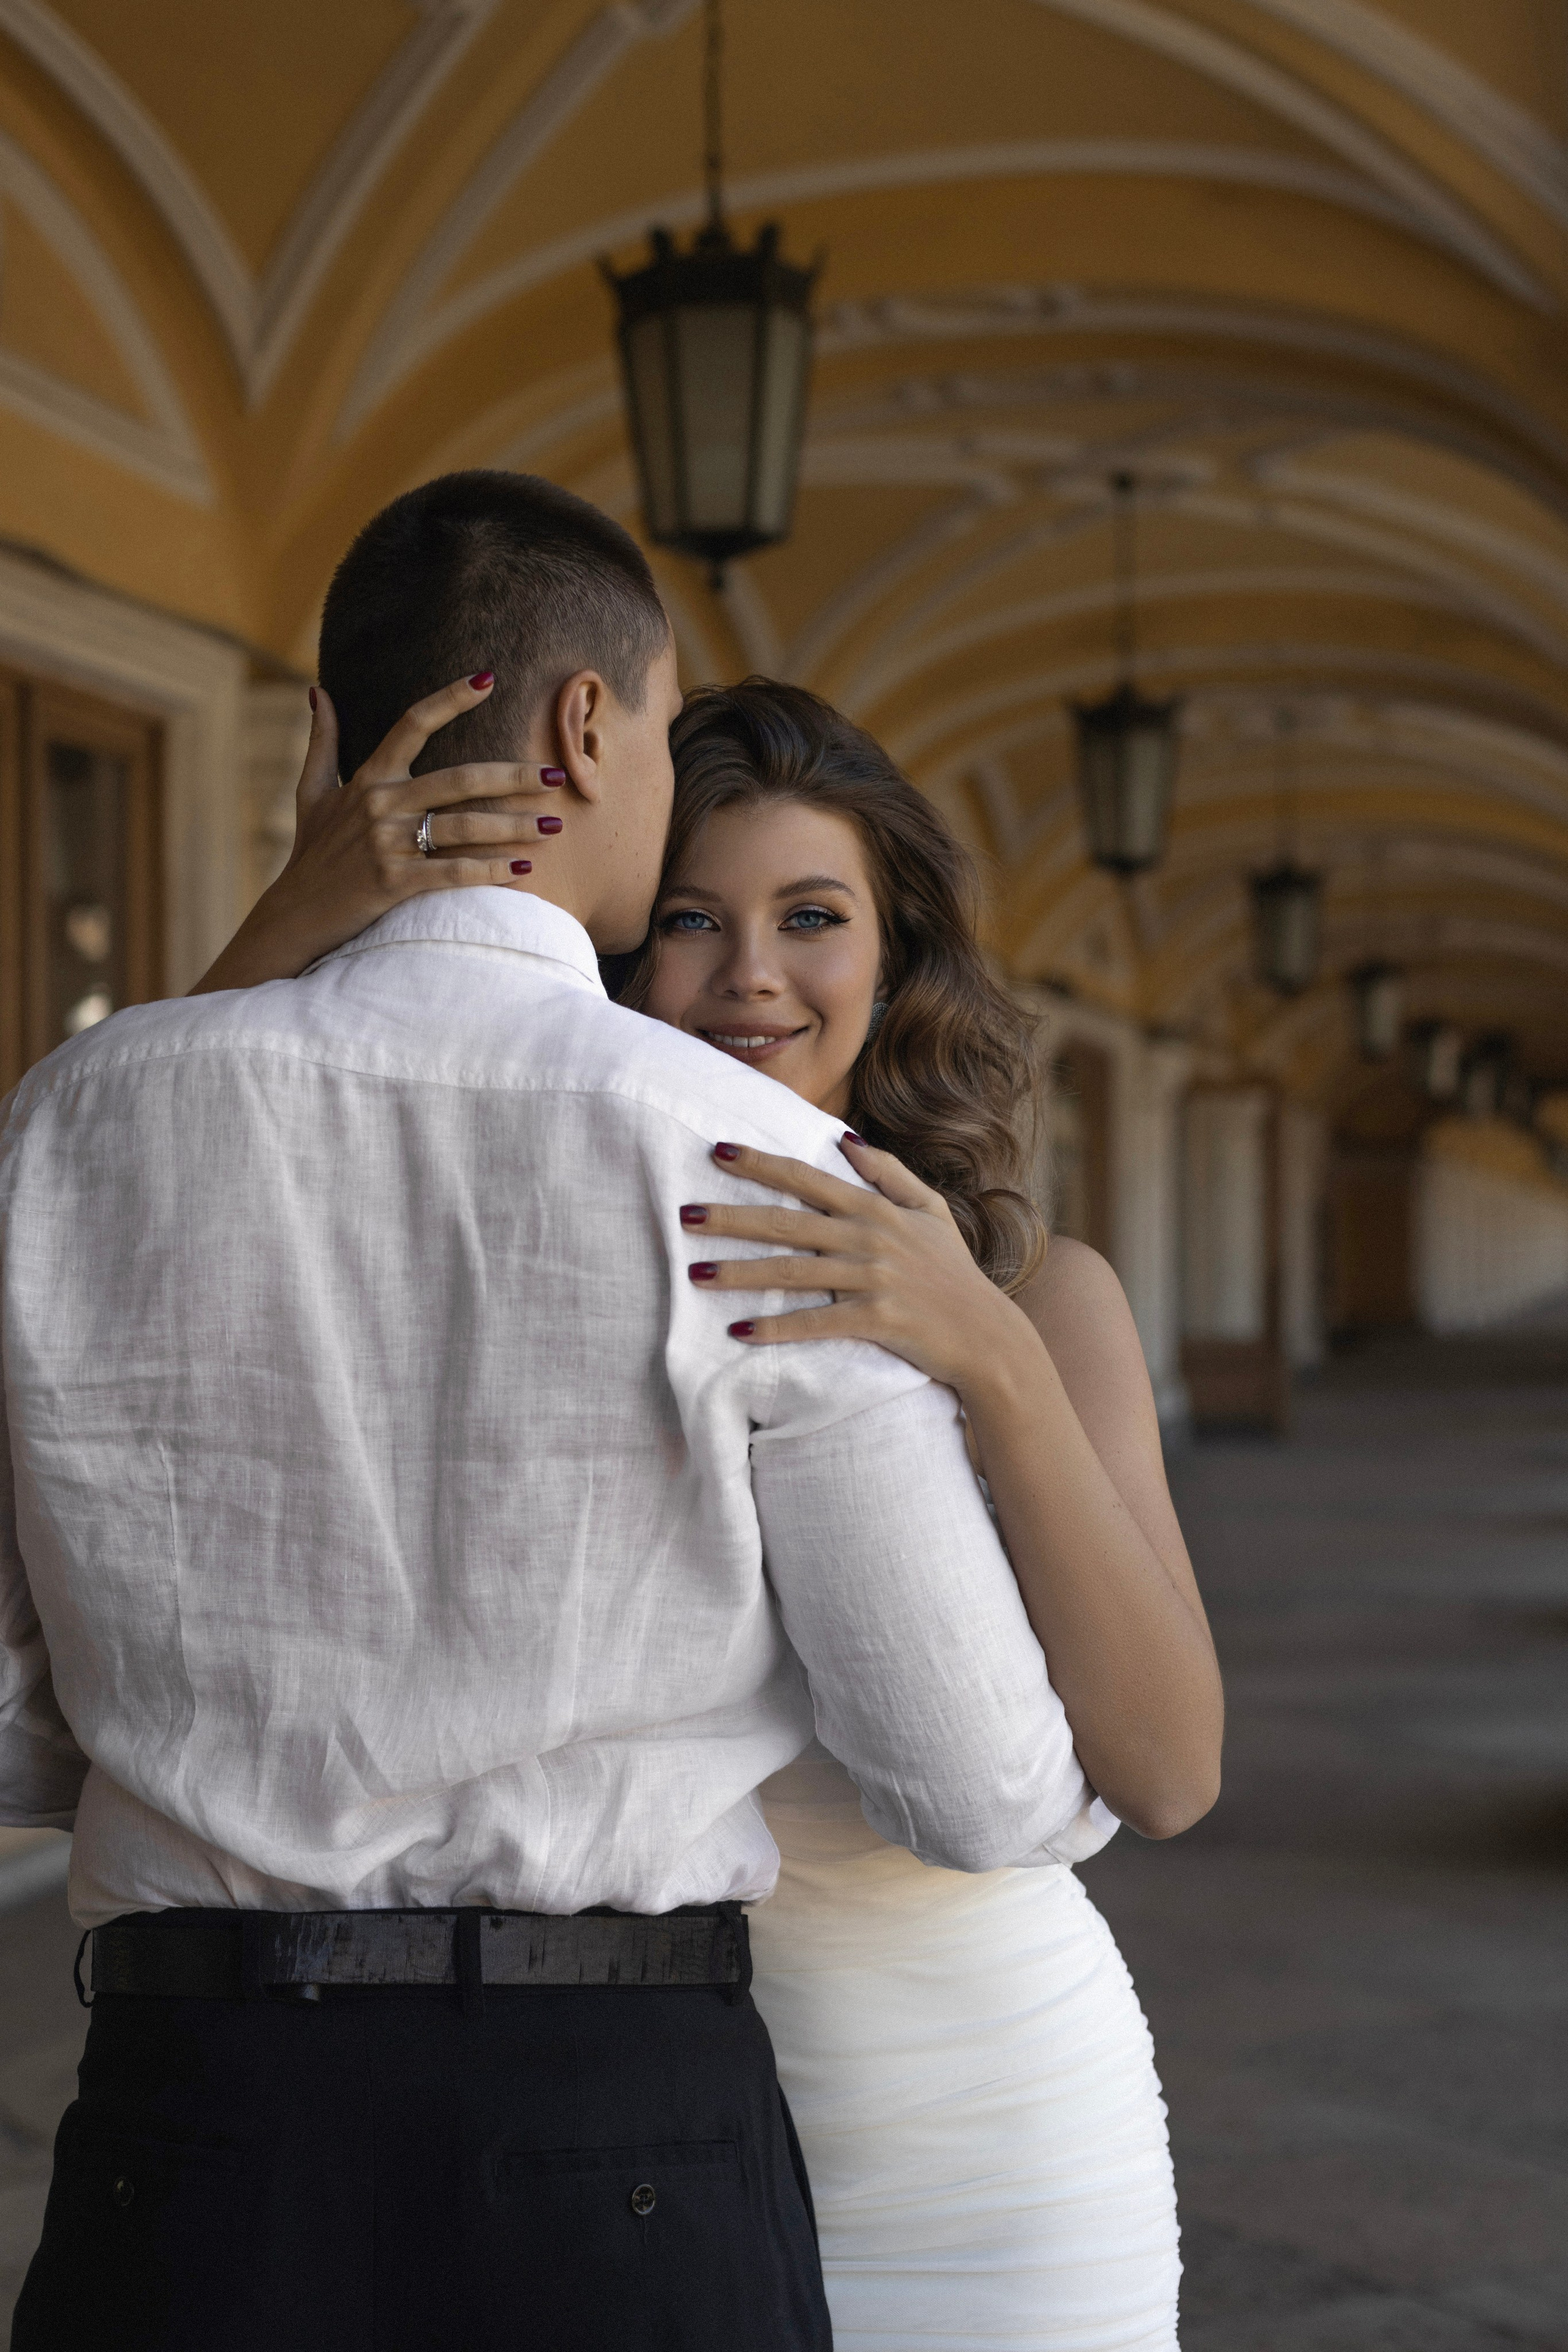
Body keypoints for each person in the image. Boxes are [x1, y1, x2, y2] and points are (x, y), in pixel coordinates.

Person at [0, 472, 1115, 2352]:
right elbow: (977, 1781)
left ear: (322, 741)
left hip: (187, 2122)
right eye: (671, 736)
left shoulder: (68, 1124)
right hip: (616, 2134)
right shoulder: (761, 1161)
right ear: (595, 727)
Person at [189, 645, 1223, 2345]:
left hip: (978, 2108)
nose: (752, 976)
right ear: (612, 946)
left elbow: (1172, 1771)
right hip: (628, 2112)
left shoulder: (1046, 1295)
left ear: (895, 968)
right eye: (690, 919)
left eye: (812, 918)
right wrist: (296, 924)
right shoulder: (536, 1257)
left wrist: (989, 1356)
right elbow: (179, 1165)